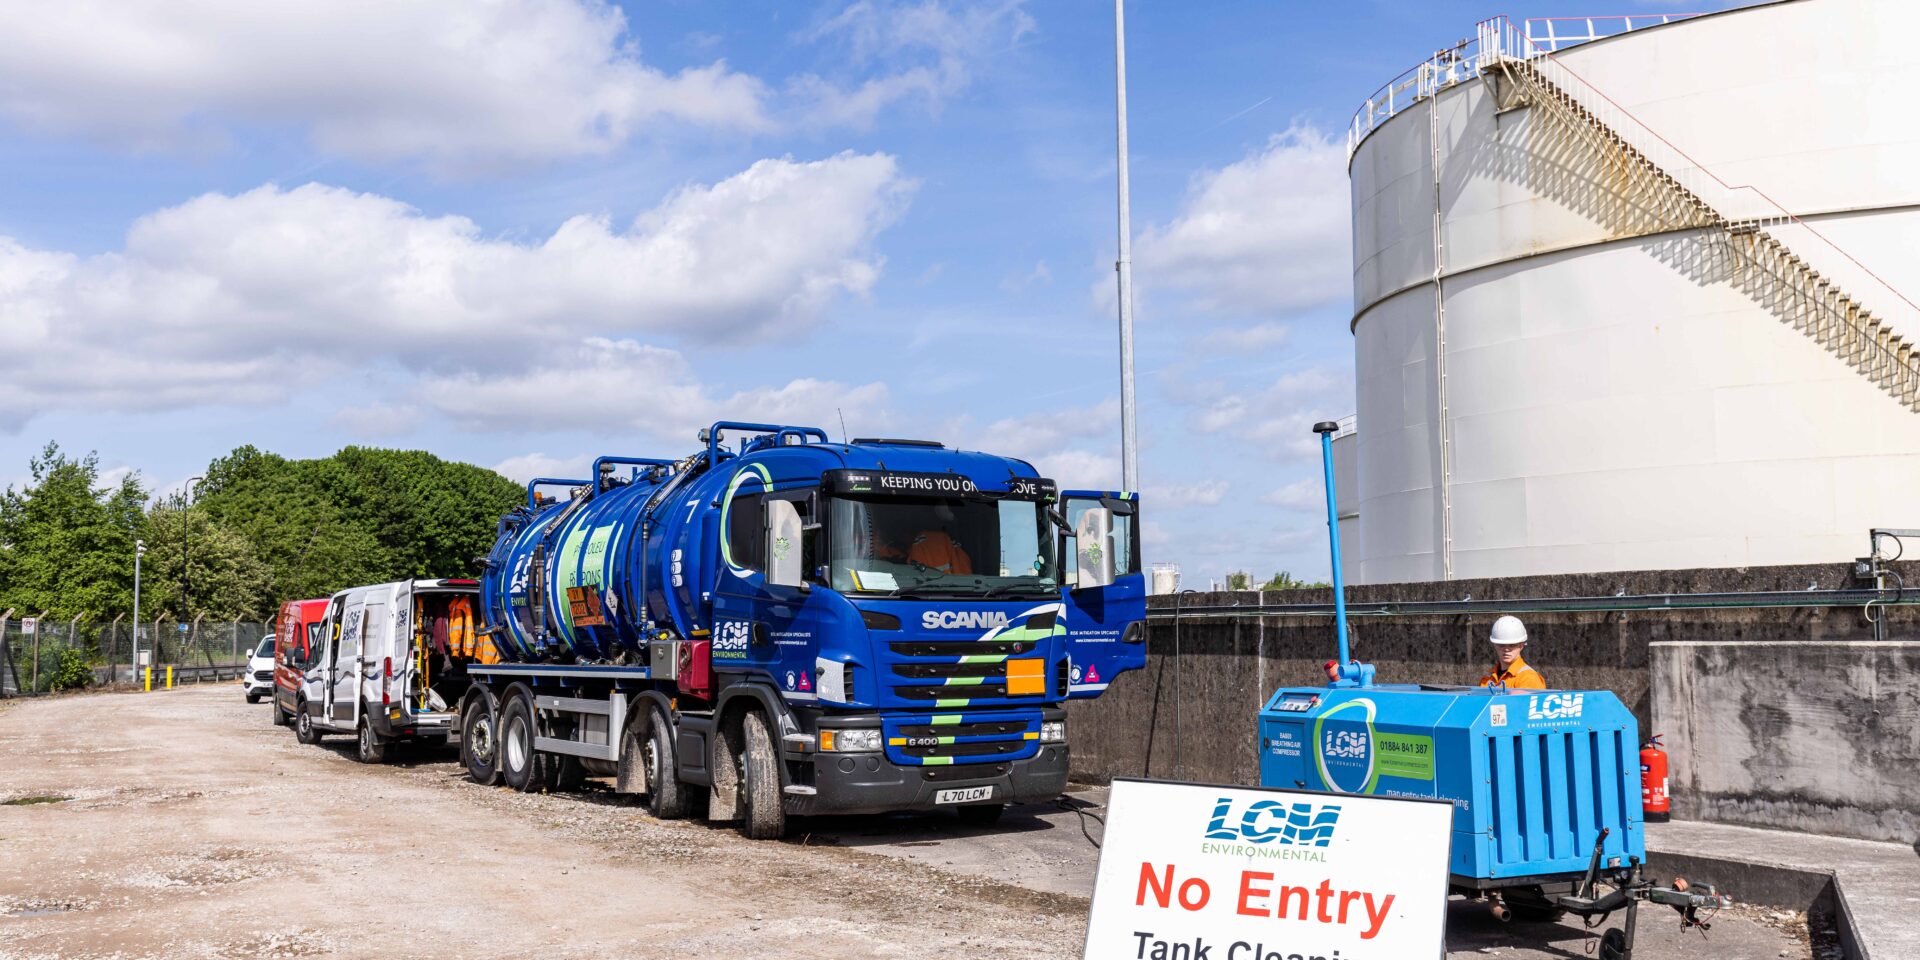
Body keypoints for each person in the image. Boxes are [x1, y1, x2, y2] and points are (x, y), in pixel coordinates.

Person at [1477, 615, 1546, 689]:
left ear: (1521, 646)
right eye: (1501, 645)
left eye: (1512, 645)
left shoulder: (1528, 678)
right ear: (1495, 645)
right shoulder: (1487, 679)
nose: (1506, 649)